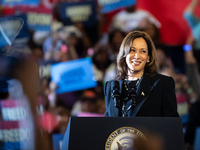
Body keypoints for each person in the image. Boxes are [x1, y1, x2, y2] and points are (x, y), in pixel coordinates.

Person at [104, 31, 179, 117]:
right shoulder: (110, 86)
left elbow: (171, 123)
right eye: (132, 50)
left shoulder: (162, 83)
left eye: (143, 51)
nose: (137, 56)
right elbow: (108, 124)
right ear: (124, 53)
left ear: (148, 57)